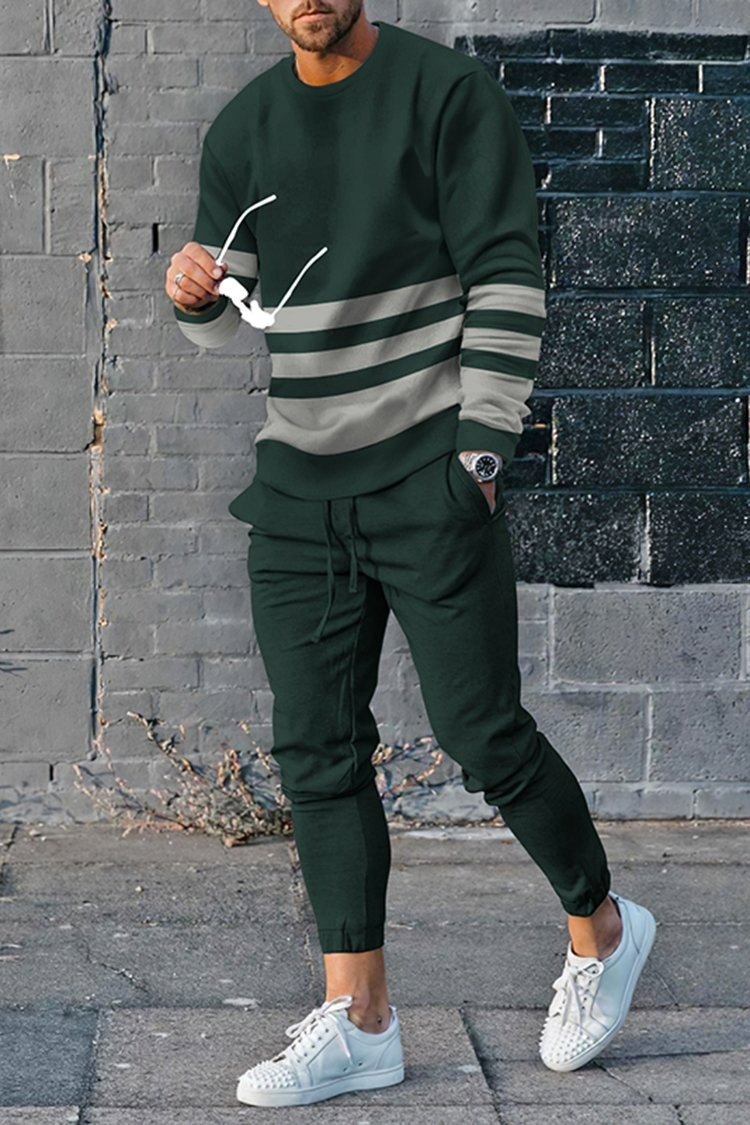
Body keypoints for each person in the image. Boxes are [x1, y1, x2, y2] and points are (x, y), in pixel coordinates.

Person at [164, 1, 656, 1108]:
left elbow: (508, 274)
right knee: (317, 750)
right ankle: (362, 1023)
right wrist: (192, 290)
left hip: (429, 480)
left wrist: (479, 455)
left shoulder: (447, 97)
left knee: (484, 735)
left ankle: (604, 927)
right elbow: (227, 313)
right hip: (298, 494)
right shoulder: (243, 129)